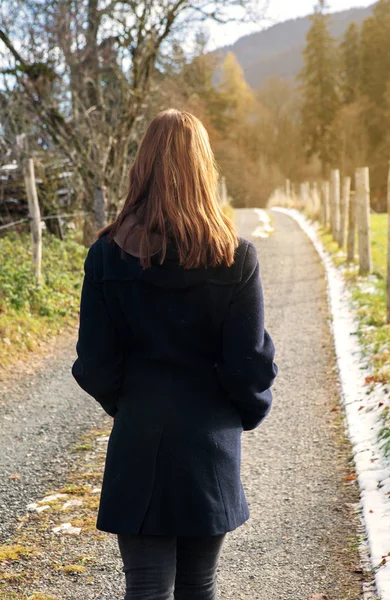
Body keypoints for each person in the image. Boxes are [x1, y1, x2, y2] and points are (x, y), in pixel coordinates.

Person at [72, 108, 278, 600]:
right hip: (209, 443)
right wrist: (242, 414)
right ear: (203, 170)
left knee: (144, 587)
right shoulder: (234, 255)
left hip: (139, 438)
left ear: (140, 169)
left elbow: (94, 362)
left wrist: (132, 405)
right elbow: (249, 363)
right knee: (198, 586)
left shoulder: (106, 255)